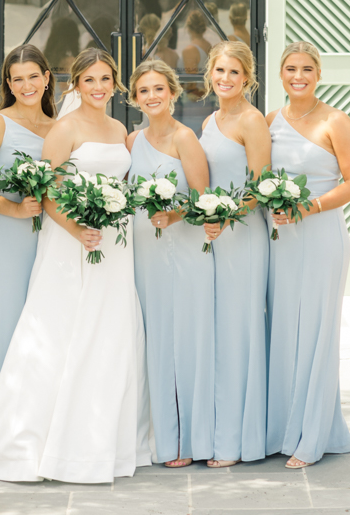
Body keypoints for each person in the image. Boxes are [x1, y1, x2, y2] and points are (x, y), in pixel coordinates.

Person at [0, 49, 151, 484]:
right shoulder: (64, 128)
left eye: (105, 79)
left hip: (114, 242)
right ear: (74, 84)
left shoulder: (119, 129)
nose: (98, 87)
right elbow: (50, 192)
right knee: (61, 328)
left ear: (115, 84)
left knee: (108, 331)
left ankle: (100, 437)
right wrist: (77, 230)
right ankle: (39, 442)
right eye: (89, 80)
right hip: (69, 240)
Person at [266, 41, 350, 468]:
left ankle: (313, 436)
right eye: (291, 68)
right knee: (285, 330)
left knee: (318, 333)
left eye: (307, 68)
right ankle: (285, 427)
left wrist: (312, 205)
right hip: (280, 242)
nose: (298, 76)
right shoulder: (271, 120)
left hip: (322, 236)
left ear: (318, 74)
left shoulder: (336, 121)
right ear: (281, 73)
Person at [0, 45, 56, 443]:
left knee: (33, 336)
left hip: (44, 244)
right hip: (0, 242)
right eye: (17, 79)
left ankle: (26, 428)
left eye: (33, 76)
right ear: (8, 85)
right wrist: (15, 210)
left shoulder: (58, 128)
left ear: (47, 78)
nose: (26, 85)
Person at [128, 59, 214, 467]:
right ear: (134, 97)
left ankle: (188, 440)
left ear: (173, 93)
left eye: (158, 89)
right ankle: (161, 435)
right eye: (143, 90)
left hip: (182, 249)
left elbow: (202, 197)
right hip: (145, 252)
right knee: (156, 339)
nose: (151, 96)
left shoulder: (186, 139)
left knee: (184, 339)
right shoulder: (132, 141)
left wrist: (174, 214)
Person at [199, 41, 271, 466]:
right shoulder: (210, 119)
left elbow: (259, 187)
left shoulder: (252, 120)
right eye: (219, 71)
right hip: (212, 236)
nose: (225, 79)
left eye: (234, 72)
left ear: (247, 77)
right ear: (211, 74)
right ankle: (217, 431)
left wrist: (227, 216)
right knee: (217, 332)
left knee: (238, 332)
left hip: (242, 236)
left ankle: (237, 442)